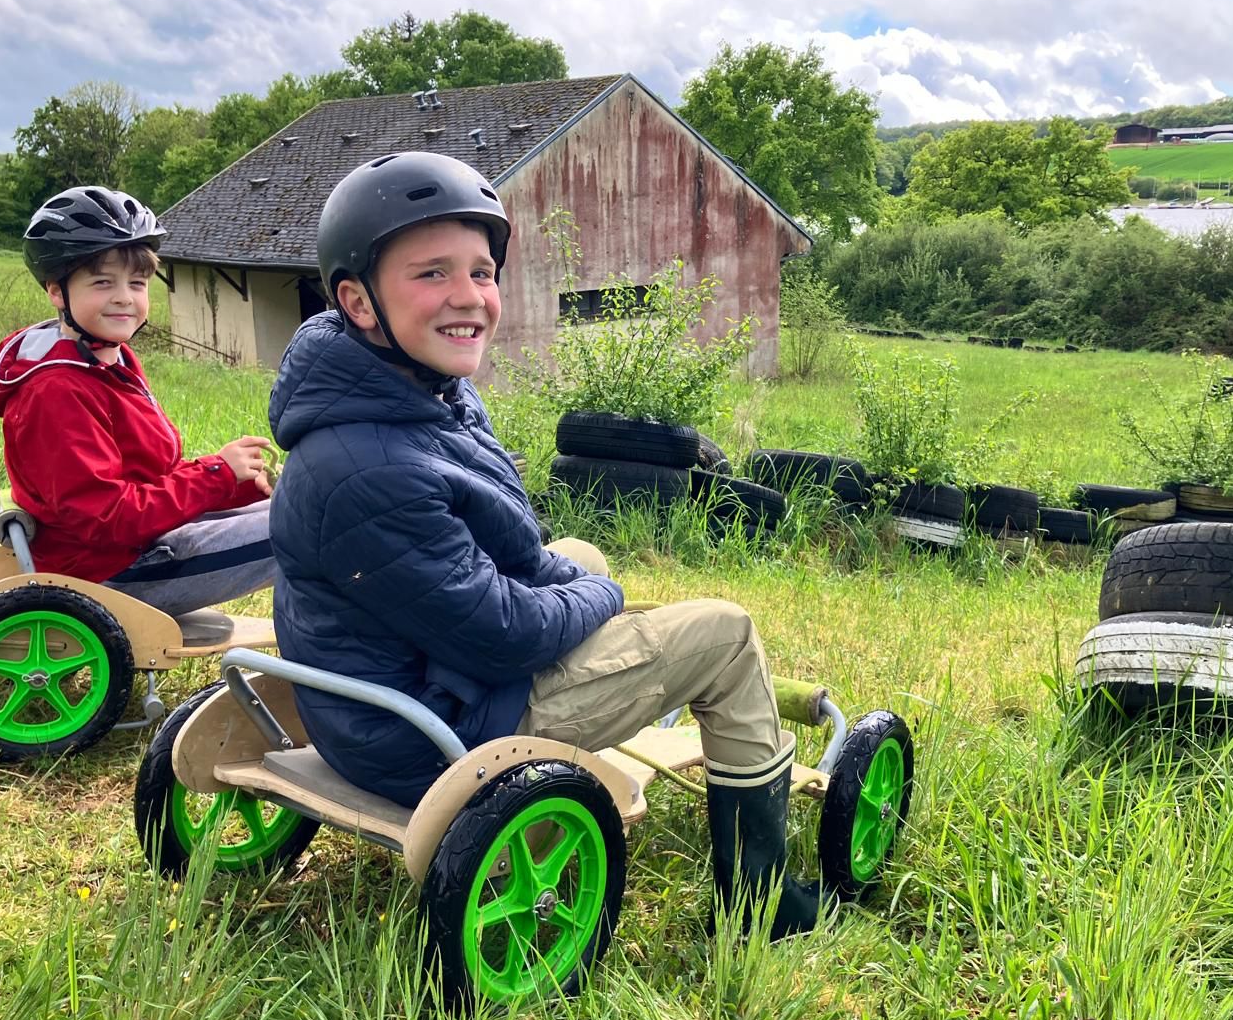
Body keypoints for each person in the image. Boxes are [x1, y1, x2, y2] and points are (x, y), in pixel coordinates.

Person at [267, 152, 826, 937]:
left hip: (402, 683)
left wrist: (568, 576)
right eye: (431, 274)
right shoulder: (368, 468)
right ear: (357, 301)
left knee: (582, 554)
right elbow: (502, 635)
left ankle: (630, 656)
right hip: (431, 733)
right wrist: (598, 598)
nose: (470, 298)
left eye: (482, 272)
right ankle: (763, 900)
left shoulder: (409, 391)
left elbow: (510, 547)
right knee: (723, 633)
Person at [0, 186, 277, 618]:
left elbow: (148, 476)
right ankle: (340, 656)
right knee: (315, 528)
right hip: (110, 573)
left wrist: (233, 483)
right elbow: (106, 518)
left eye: (137, 283)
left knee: (303, 504)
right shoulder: (56, 391)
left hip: (135, 541)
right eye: (102, 282)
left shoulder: (107, 360)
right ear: (56, 291)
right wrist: (215, 474)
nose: (124, 297)